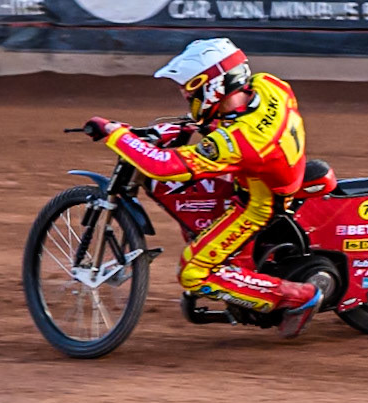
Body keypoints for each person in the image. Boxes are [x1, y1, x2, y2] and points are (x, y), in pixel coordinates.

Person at [81, 38, 321, 338]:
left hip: (259, 204)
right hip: (269, 172)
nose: (186, 95)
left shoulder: (239, 140)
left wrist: (115, 134)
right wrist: (199, 127)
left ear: (215, 87)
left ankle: (296, 297)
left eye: (190, 90)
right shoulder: (268, 84)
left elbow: (162, 166)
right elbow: (234, 122)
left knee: (193, 271)